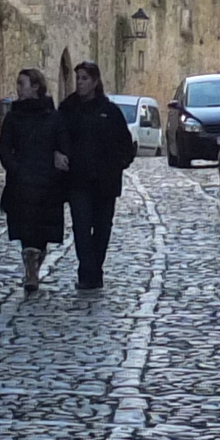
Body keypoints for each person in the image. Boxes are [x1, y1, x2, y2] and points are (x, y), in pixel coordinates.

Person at [55, 60, 138, 291]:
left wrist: (120, 163)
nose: (80, 83)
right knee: (81, 227)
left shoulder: (109, 111)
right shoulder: (68, 110)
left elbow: (125, 143)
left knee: (102, 228)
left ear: (95, 82)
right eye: (78, 78)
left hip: (105, 181)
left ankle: (95, 271)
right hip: (77, 180)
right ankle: (86, 271)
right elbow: (57, 137)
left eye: (85, 78)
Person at [0, 68, 66, 294]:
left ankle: (33, 270)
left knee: (41, 233)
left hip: (47, 185)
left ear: (35, 87)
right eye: (18, 84)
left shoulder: (53, 118)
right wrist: (15, 169)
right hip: (21, 183)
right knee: (26, 233)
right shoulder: (14, 117)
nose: (18, 88)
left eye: (22, 84)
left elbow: (62, 145)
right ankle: (31, 273)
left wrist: (57, 166)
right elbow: (4, 147)